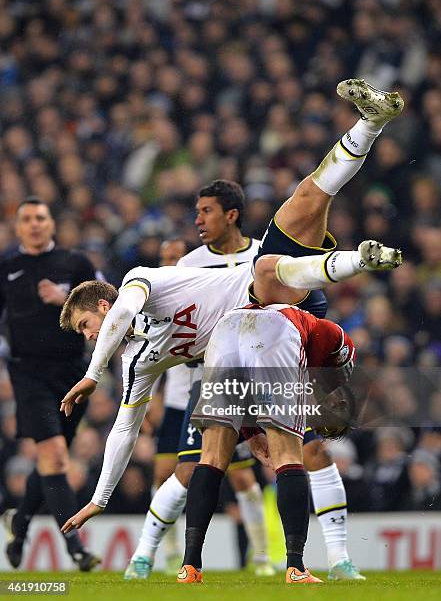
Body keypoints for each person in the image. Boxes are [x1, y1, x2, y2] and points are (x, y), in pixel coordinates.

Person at [59, 79, 403, 545]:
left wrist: (93, 374)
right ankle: (369, 153)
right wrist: (99, 500)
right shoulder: (138, 361)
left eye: (85, 325)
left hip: (274, 297)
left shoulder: (144, 282)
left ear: (104, 304)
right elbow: (124, 430)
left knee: (298, 213)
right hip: (260, 326)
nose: (88, 336)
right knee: (306, 202)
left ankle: (370, 148)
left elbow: (123, 311)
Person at [125, 194, 275, 578]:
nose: (173, 264)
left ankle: (262, 558)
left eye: (177, 256)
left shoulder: (256, 255)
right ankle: (160, 556)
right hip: (191, 390)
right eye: (167, 260)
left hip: (243, 381)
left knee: (242, 473)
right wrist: (151, 399)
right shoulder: (166, 285)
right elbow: (150, 349)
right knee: (177, 472)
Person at [177, 301, 358, 584]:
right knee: (288, 456)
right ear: (341, 397)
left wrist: (250, 433)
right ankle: (296, 568)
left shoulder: (320, 369)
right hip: (277, 329)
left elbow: (251, 380)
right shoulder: (336, 354)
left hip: (227, 327)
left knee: (211, 458)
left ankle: (189, 567)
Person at [0, 198, 100, 570]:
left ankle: (21, 521)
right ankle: (76, 548)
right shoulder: (7, 267)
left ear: (52, 223)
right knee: (55, 456)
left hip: (73, 373)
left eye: (41, 217)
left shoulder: (76, 263)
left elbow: (108, 306)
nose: (34, 224)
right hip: (28, 374)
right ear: (18, 227)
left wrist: (65, 300)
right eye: (26, 219)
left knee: (51, 463)